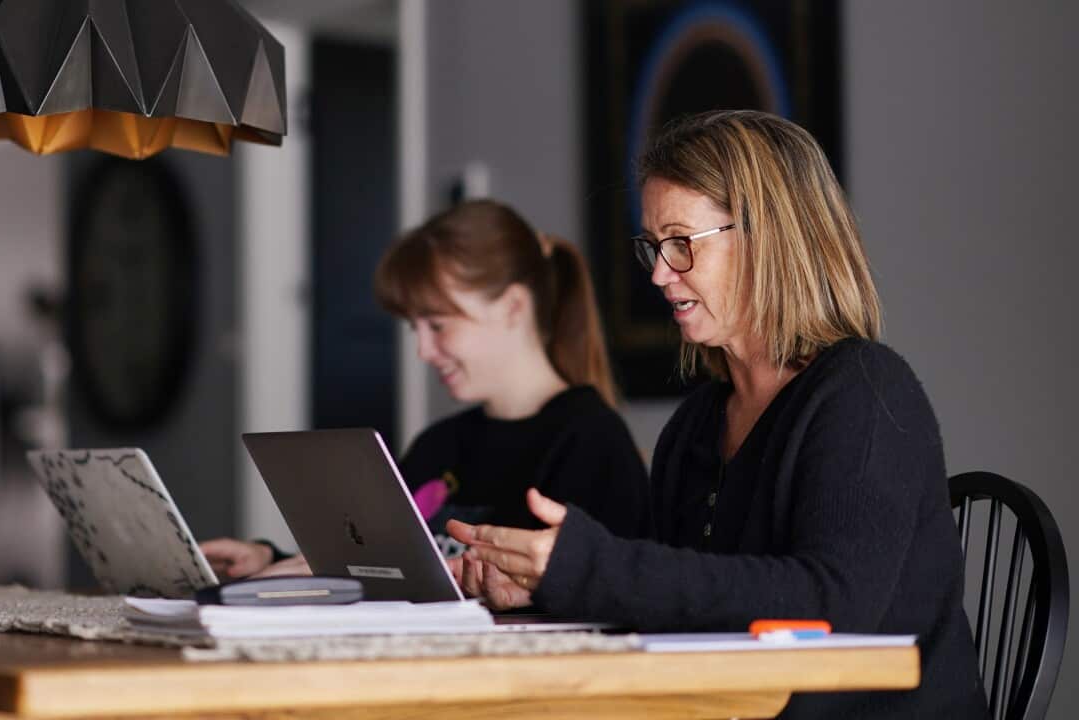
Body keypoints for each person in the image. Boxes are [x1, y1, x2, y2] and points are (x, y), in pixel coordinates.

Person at [448, 111, 989, 718]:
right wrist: (543, 591)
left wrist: (591, 566)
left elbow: (832, 603)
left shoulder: (866, 393)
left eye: (681, 243)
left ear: (770, 237)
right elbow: (683, 604)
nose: (658, 273)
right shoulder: (697, 424)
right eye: (653, 246)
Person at [200, 199, 649, 579]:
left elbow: (610, 592)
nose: (423, 351)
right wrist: (270, 559)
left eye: (437, 325)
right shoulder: (439, 446)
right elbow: (377, 565)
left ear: (513, 306)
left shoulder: (590, 443)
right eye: (415, 327)